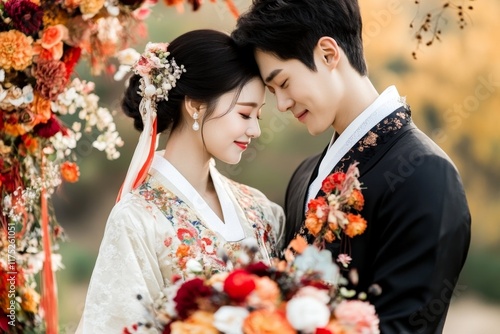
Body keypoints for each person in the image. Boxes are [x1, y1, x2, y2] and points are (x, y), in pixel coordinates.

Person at [231, 1, 471, 333]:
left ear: (329, 54)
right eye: (272, 92)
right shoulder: (305, 175)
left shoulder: (425, 174)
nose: (282, 104)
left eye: (283, 83)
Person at [76, 29, 284, 333]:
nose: (255, 131)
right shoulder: (137, 220)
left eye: (258, 117)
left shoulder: (260, 209)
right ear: (196, 106)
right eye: (244, 114)